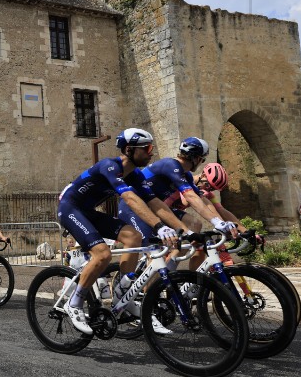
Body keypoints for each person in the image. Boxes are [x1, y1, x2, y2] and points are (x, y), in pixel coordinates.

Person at [57, 128, 184, 335]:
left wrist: (180, 230)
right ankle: (75, 302)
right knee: (103, 254)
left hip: (88, 212)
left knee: (133, 236)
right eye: (147, 148)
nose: (151, 152)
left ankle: (123, 293)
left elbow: (154, 202)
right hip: (69, 208)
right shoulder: (109, 165)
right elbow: (130, 199)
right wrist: (158, 226)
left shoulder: (134, 175)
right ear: (129, 149)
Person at [119, 137, 238, 270]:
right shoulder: (170, 164)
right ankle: (146, 288)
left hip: (153, 209)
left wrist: (218, 222)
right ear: (197, 158)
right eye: (202, 160)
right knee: (155, 255)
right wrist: (217, 222)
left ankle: (170, 269)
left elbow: (200, 200)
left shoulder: (186, 175)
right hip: (133, 207)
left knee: (195, 224)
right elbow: (190, 196)